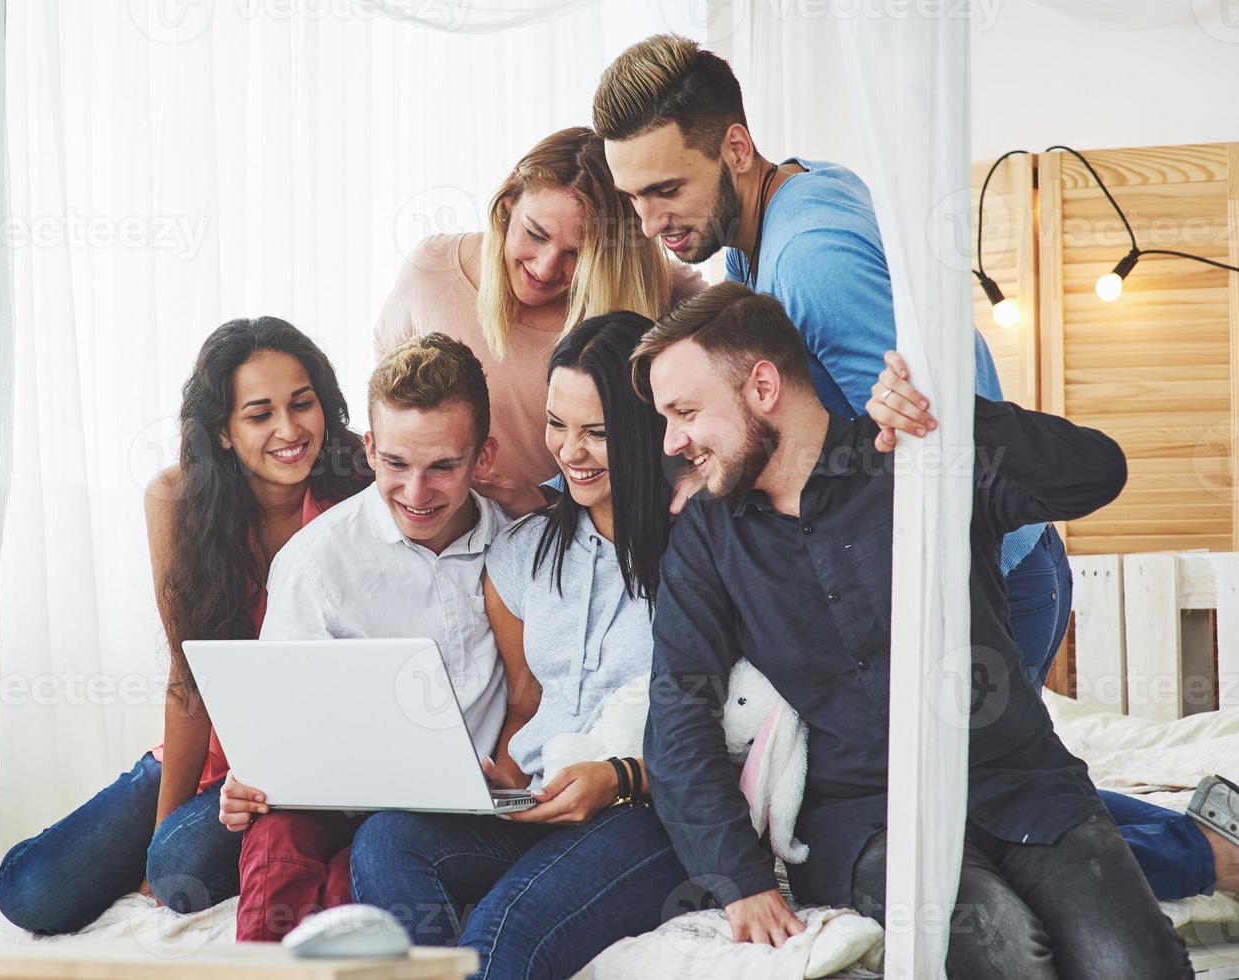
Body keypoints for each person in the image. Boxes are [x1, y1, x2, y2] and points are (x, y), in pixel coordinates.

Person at [591, 32, 1232, 901]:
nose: (651, 221)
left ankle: (1206, 856)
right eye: (634, 197)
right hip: (991, 562)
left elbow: (896, 444)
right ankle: (1196, 835)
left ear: (735, 147)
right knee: (969, 789)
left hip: (983, 572)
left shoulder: (806, 263)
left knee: (971, 798)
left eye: (666, 189)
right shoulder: (795, 193)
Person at [634, 283, 1193, 977]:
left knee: (1136, 968)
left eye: (685, 412)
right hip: (869, 822)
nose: (673, 441)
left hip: (1021, 781)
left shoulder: (921, 458)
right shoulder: (707, 543)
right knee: (1004, 955)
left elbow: (1098, 475)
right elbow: (678, 715)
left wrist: (956, 418)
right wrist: (738, 877)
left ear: (763, 385)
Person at [0, 317, 372, 934]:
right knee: (28, 893)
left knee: (180, 869)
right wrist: (158, 835)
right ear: (222, 431)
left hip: (311, 764)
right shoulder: (178, 501)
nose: (289, 429)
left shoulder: (365, 485)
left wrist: (164, 854)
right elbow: (188, 676)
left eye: (303, 404)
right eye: (259, 414)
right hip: (216, 756)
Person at [350, 312, 692, 979]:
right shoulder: (522, 553)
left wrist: (620, 776)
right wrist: (500, 776)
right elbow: (525, 705)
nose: (571, 452)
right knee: (387, 839)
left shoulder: (701, 554)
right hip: (541, 801)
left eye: (597, 432)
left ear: (649, 426)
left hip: (648, 815)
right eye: (557, 425)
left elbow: (734, 724)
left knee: (501, 933)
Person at [217, 332, 510, 942]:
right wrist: (251, 773)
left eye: (443, 467)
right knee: (276, 841)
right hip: (323, 794)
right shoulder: (316, 560)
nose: (416, 492)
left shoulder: (520, 550)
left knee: (367, 877)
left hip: (443, 809)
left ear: (483, 457)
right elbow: (277, 716)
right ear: (371, 450)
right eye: (397, 464)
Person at [376, 126, 704, 515]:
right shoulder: (432, 272)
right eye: (535, 234)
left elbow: (739, 382)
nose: (546, 268)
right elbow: (388, 407)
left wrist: (699, 470)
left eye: (576, 254)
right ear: (508, 203)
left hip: (582, 541)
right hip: (445, 533)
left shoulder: (659, 293)